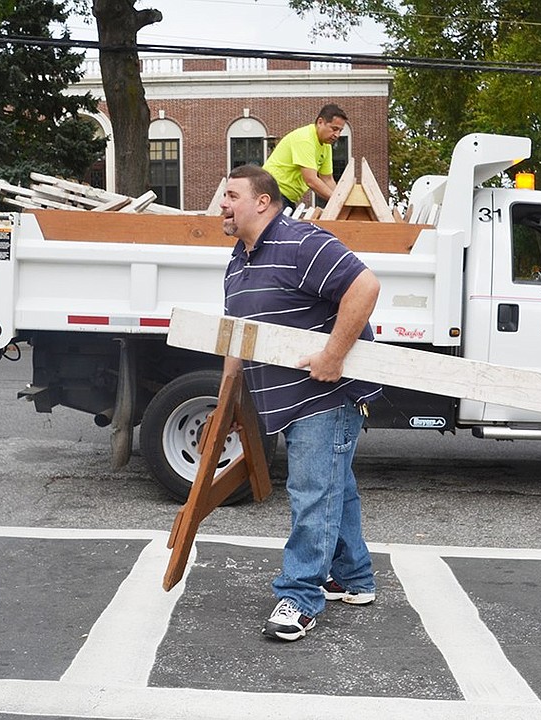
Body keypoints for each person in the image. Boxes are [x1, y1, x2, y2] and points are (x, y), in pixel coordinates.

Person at [219, 163, 382, 642]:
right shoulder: (239, 259)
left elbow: (365, 286)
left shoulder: (300, 241)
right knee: (333, 488)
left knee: (313, 494)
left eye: (231, 195)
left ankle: (300, 596)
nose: (222, 205)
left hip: (322, 397)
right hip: (283, 401)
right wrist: (228, 399)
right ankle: (353, 579)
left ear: (262, 201)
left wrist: (334, 354)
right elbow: (238, 334)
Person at [262, 103, 347, 209]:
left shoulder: (326, 145)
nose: (337, 135)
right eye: (334, 129)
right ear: (320, 122)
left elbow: (327, 179)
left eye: (340, 130)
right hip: (271, 194)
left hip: (287, 197)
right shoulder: (305, 139)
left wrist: (341, 199)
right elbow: (311, 180)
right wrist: (339, 202)